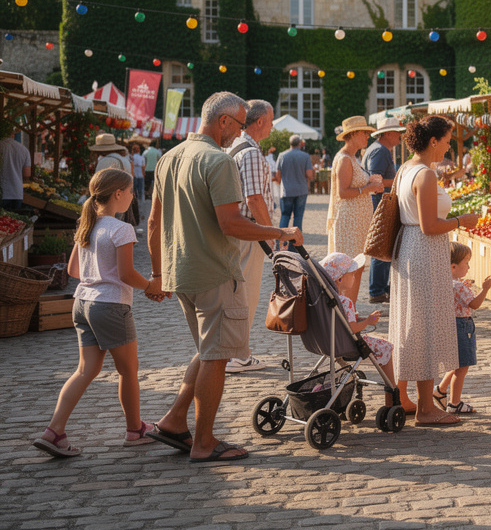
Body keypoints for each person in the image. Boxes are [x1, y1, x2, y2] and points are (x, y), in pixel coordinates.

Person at [146, 92, 302, 463]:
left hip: (182, 270)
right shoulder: (217, 160)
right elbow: (231, 222)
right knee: (216, 357)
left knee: (207, 351)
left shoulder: (170, 157)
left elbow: (153, 222)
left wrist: (156, 273)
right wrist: (280, 234)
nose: (241, 131)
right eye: (239, 122)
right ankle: (203, 441)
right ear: (223, 122)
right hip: (216, 270)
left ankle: (174, 420)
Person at [33, 168, 156, 458]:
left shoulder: (87, 225)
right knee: (129, 371)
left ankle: (54, 431)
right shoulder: (120, 228)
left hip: (82, 304)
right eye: (129, 192)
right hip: (111, 305)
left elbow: (74, 270)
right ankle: (135, 429)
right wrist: (150, 287)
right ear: (118, 194)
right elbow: (126, 274)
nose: (131, 197)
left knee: (85, 370)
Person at [390, 116, 480, 426]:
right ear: (433, 142)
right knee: (425, 324)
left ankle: (402, 397)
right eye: (447, 140)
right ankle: (427, 409)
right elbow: (430, 226)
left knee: (410, 323)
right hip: (424, 251)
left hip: (409, 249)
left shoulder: (405, 169)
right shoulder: (425, 175)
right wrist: (461, 221)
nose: (449, 146)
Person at [224, 99, 275, 375]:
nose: (272, 124)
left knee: (237, 291)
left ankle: (235, 351)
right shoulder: (252, 153)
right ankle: (238, 354)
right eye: (271, 119)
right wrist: (271, 233)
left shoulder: (236, 147)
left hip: (239, 229)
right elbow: (254, 198)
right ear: (259, 122)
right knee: (247, 293)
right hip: (250, 230)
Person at [319, 252, 399, 409]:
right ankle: (392, 391)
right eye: (352, 275)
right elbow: (351, 328)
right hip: (347, 344)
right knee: (386, 347)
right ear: (340, 279)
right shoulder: (344, 302)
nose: (355, 278)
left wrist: (359, 320)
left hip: (327, 341)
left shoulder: (323, 299)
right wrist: (368, 322)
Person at [434, 241, 491, 414]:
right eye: (466, 262)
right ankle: (454, 402)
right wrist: (485, 290)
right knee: (462, 366)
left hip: (450, 324)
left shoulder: (446, 282)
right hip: (462, 326)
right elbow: (474, 304)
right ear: (453, 266)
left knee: (456, 362)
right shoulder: (458, 286)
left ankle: (441, 390)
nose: (468, 266)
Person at [328, 116, 381, 296]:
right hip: (349, 222)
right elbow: (343, 192)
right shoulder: (344, 159)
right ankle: (347, 312)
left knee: (355, 269)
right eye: (365, 133)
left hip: (356, 222)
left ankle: (350, 310)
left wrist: (370, 185)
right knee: (350, 270)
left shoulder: (352, 157)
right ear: (353, 134)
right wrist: (368, 188)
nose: (367, 136)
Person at [363, 122, 404, 304]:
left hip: (379, 202)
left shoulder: (380, 149)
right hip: (380, 203)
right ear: (387, 134)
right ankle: (377, 290)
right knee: (381, 245)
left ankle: (380, 286)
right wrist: (397, 180)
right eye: (397, 132)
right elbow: (375, 180)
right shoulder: (380, 151)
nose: (400, 135)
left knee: (383, 244)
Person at [276, 135, 313, 231]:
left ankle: (281, 242)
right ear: (300, 143)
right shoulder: (305, 156)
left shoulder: (282, 155)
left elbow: (278, 175)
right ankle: (295, 244)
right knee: (298, 217)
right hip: (301, 190)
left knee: (285, 216)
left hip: (286, 190)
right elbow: (309, 174)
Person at [0, 121, 32, 212]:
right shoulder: (23, 149)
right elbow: (27, 174)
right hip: (16, 193)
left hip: (2, 193)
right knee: (12, 221)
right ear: (12, 134)